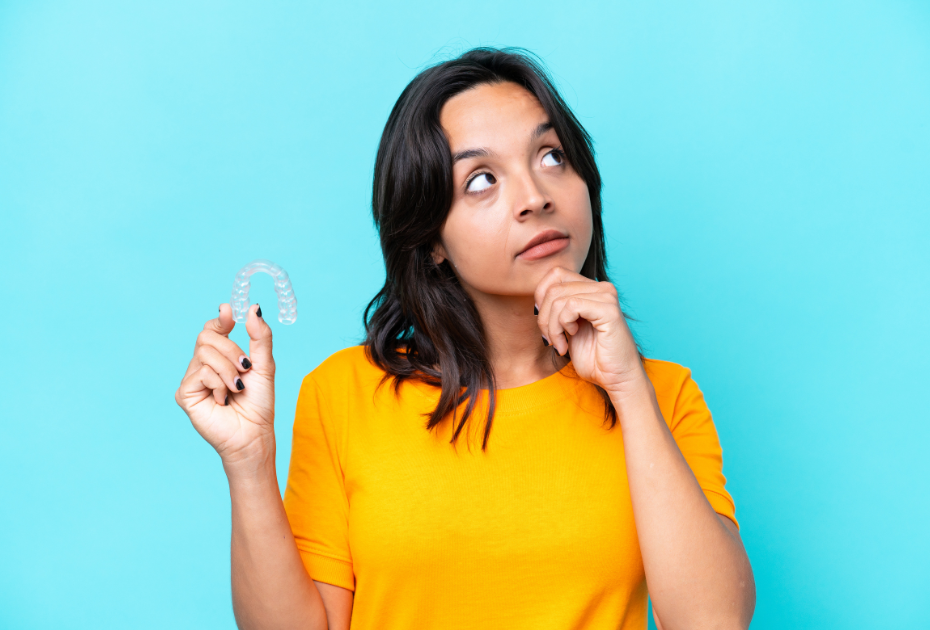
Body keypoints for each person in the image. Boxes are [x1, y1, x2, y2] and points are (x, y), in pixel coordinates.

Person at [175, 47, 755, 630]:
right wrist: (249, 466)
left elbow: (713, 622)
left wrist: (628, 390)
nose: (536, 196)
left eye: (552, 156)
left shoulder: (664, 396)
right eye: (481, 180)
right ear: (430, 237)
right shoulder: (343, 395)